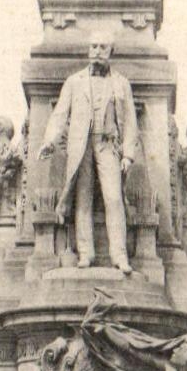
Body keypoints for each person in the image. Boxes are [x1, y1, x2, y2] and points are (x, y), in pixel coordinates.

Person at [38, 33, 139, 273]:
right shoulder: (74, 81)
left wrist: (127, 155)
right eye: (93, 46)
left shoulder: (121, 83)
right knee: (82, 199)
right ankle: (85, 253)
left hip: (108, 144)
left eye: (103, 47)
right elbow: (60, 114)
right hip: (80, 146)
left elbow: (131, 122)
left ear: (110, 51)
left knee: (114, 199)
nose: (97, 51)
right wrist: (49, 141)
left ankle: (119, 255)